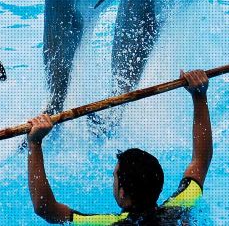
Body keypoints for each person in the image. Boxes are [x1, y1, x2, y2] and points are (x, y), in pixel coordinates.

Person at [27, 69, 213, 225]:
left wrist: (35, 143)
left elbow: (45, 209)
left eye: (115, 177)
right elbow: (200, 161)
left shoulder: (110, 223)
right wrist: (199, 95)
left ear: (122, 193)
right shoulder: (178, 208)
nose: (113, 182)